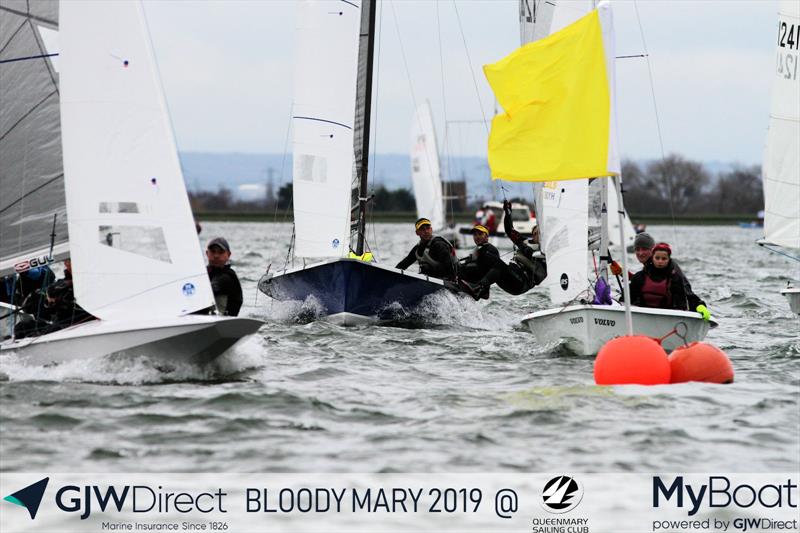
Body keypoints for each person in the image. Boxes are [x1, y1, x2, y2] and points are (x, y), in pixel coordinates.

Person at [460, 201, 547, 298]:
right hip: (510, 277)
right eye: (534, 233)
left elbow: (541, 269)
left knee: (498, 264)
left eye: (539, 233)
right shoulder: (525, 242)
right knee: (488, 259)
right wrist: (508, 213)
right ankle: (480, 289)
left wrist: (526, 249)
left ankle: (479, 287)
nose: (536, 235)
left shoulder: (546, 252)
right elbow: (509, 231)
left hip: (521, 283)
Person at [610, 232, 704, 313]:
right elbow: (646, 282)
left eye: (644, 249)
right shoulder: (648, 268)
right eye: (637, 249)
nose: (640, 253)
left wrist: (699, 305)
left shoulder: (671, 268)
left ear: (652, 250)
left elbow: (685, 287)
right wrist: (623, 273)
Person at [629, 242, 710, 319]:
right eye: (657, 258)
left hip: (667, 317)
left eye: (664, 258)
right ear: (652, 258)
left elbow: (685, 298)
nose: (660, 261)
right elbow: (627, 298)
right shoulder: (639, 277)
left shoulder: (675, 278)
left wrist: (699, 306)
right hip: (642, 315)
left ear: (669, 260)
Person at [457, 224, 500, 299]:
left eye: (480, 234)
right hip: (473, 280)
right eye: (475, 235)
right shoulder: (479, 248)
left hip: (479, 285)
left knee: (459, 268)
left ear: (486, 237)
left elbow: (487, 268)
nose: (477, 237)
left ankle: (480, 290)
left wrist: (462, 267)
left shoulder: (490, 249)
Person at [203, 237, 243, 316]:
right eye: (213, 252)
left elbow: (211, 289)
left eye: (220, 252)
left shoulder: (228, 277)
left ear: (228, 254)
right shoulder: (203, 273)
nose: (216, 255)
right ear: (207, 253)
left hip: (223, 321)